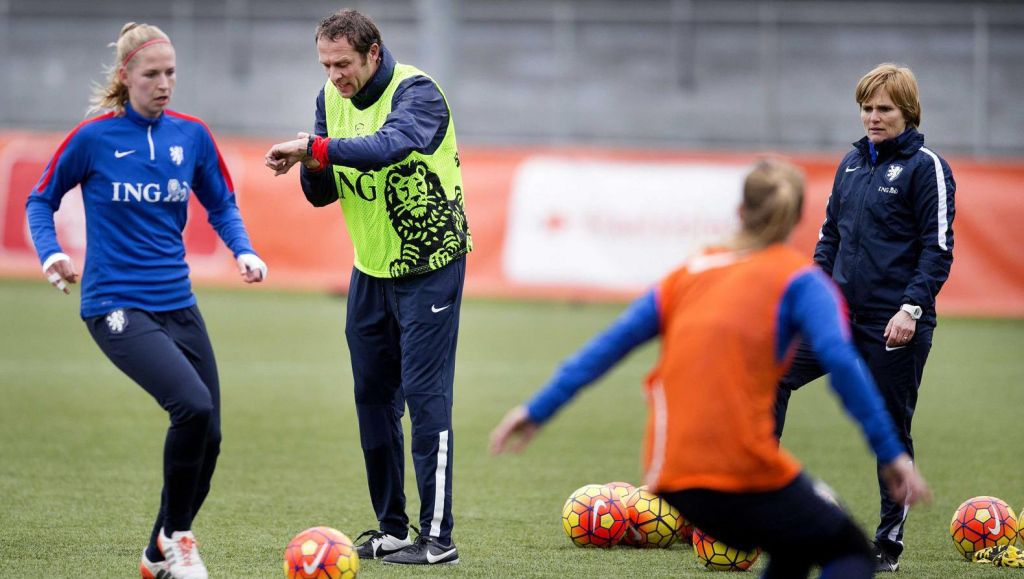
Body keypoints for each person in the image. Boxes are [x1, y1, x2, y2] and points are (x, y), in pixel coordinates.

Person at [490, 160, 931, 579]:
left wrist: (537, 410)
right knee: (851, 551)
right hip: (740, 471)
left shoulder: (688, 273)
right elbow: (841, 363)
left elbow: (606, 347)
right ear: (798, 219)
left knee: (796, 545)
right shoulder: (801, 282)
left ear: (740, 210)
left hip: (670, 476)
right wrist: (890, 453)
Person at [25, 22, 267, 579]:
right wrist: (50, 253)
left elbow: (222, 203)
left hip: (177, 303)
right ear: (125, 76)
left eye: (171, 73)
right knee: (193, 405)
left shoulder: (192, 136)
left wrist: (243, 250)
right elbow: (41, 199)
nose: (164, 84)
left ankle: (158, 553)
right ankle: (179, 538)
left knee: (212, 434)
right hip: (115, 304)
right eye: (152, 74)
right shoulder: (93, 139)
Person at [263, 9, 471, 566]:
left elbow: (390, 147)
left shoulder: (418, 92)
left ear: (373, 52)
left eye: (344, 64)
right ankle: (393, 528)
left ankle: (439, 540)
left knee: (427, 401)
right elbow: (322, 193)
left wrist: (314, 148)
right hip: (370, 271)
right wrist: (310, 163)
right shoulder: (328, 99)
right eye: (327, 65)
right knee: (373, 402)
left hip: (430, 267)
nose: (335, 76)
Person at [772, 63, 955, 573]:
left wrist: (911, 309)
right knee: (771, 375)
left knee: (889, 434)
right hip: (839, 318)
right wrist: (812, 299)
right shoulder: (850, 163)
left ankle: (887, 546)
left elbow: (937, 249)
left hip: (894, 323)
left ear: (907, 112)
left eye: (884, 109)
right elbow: (829, 236)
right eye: (867, 108)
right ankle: (760, 509)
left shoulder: (927, 168)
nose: (873, 118)